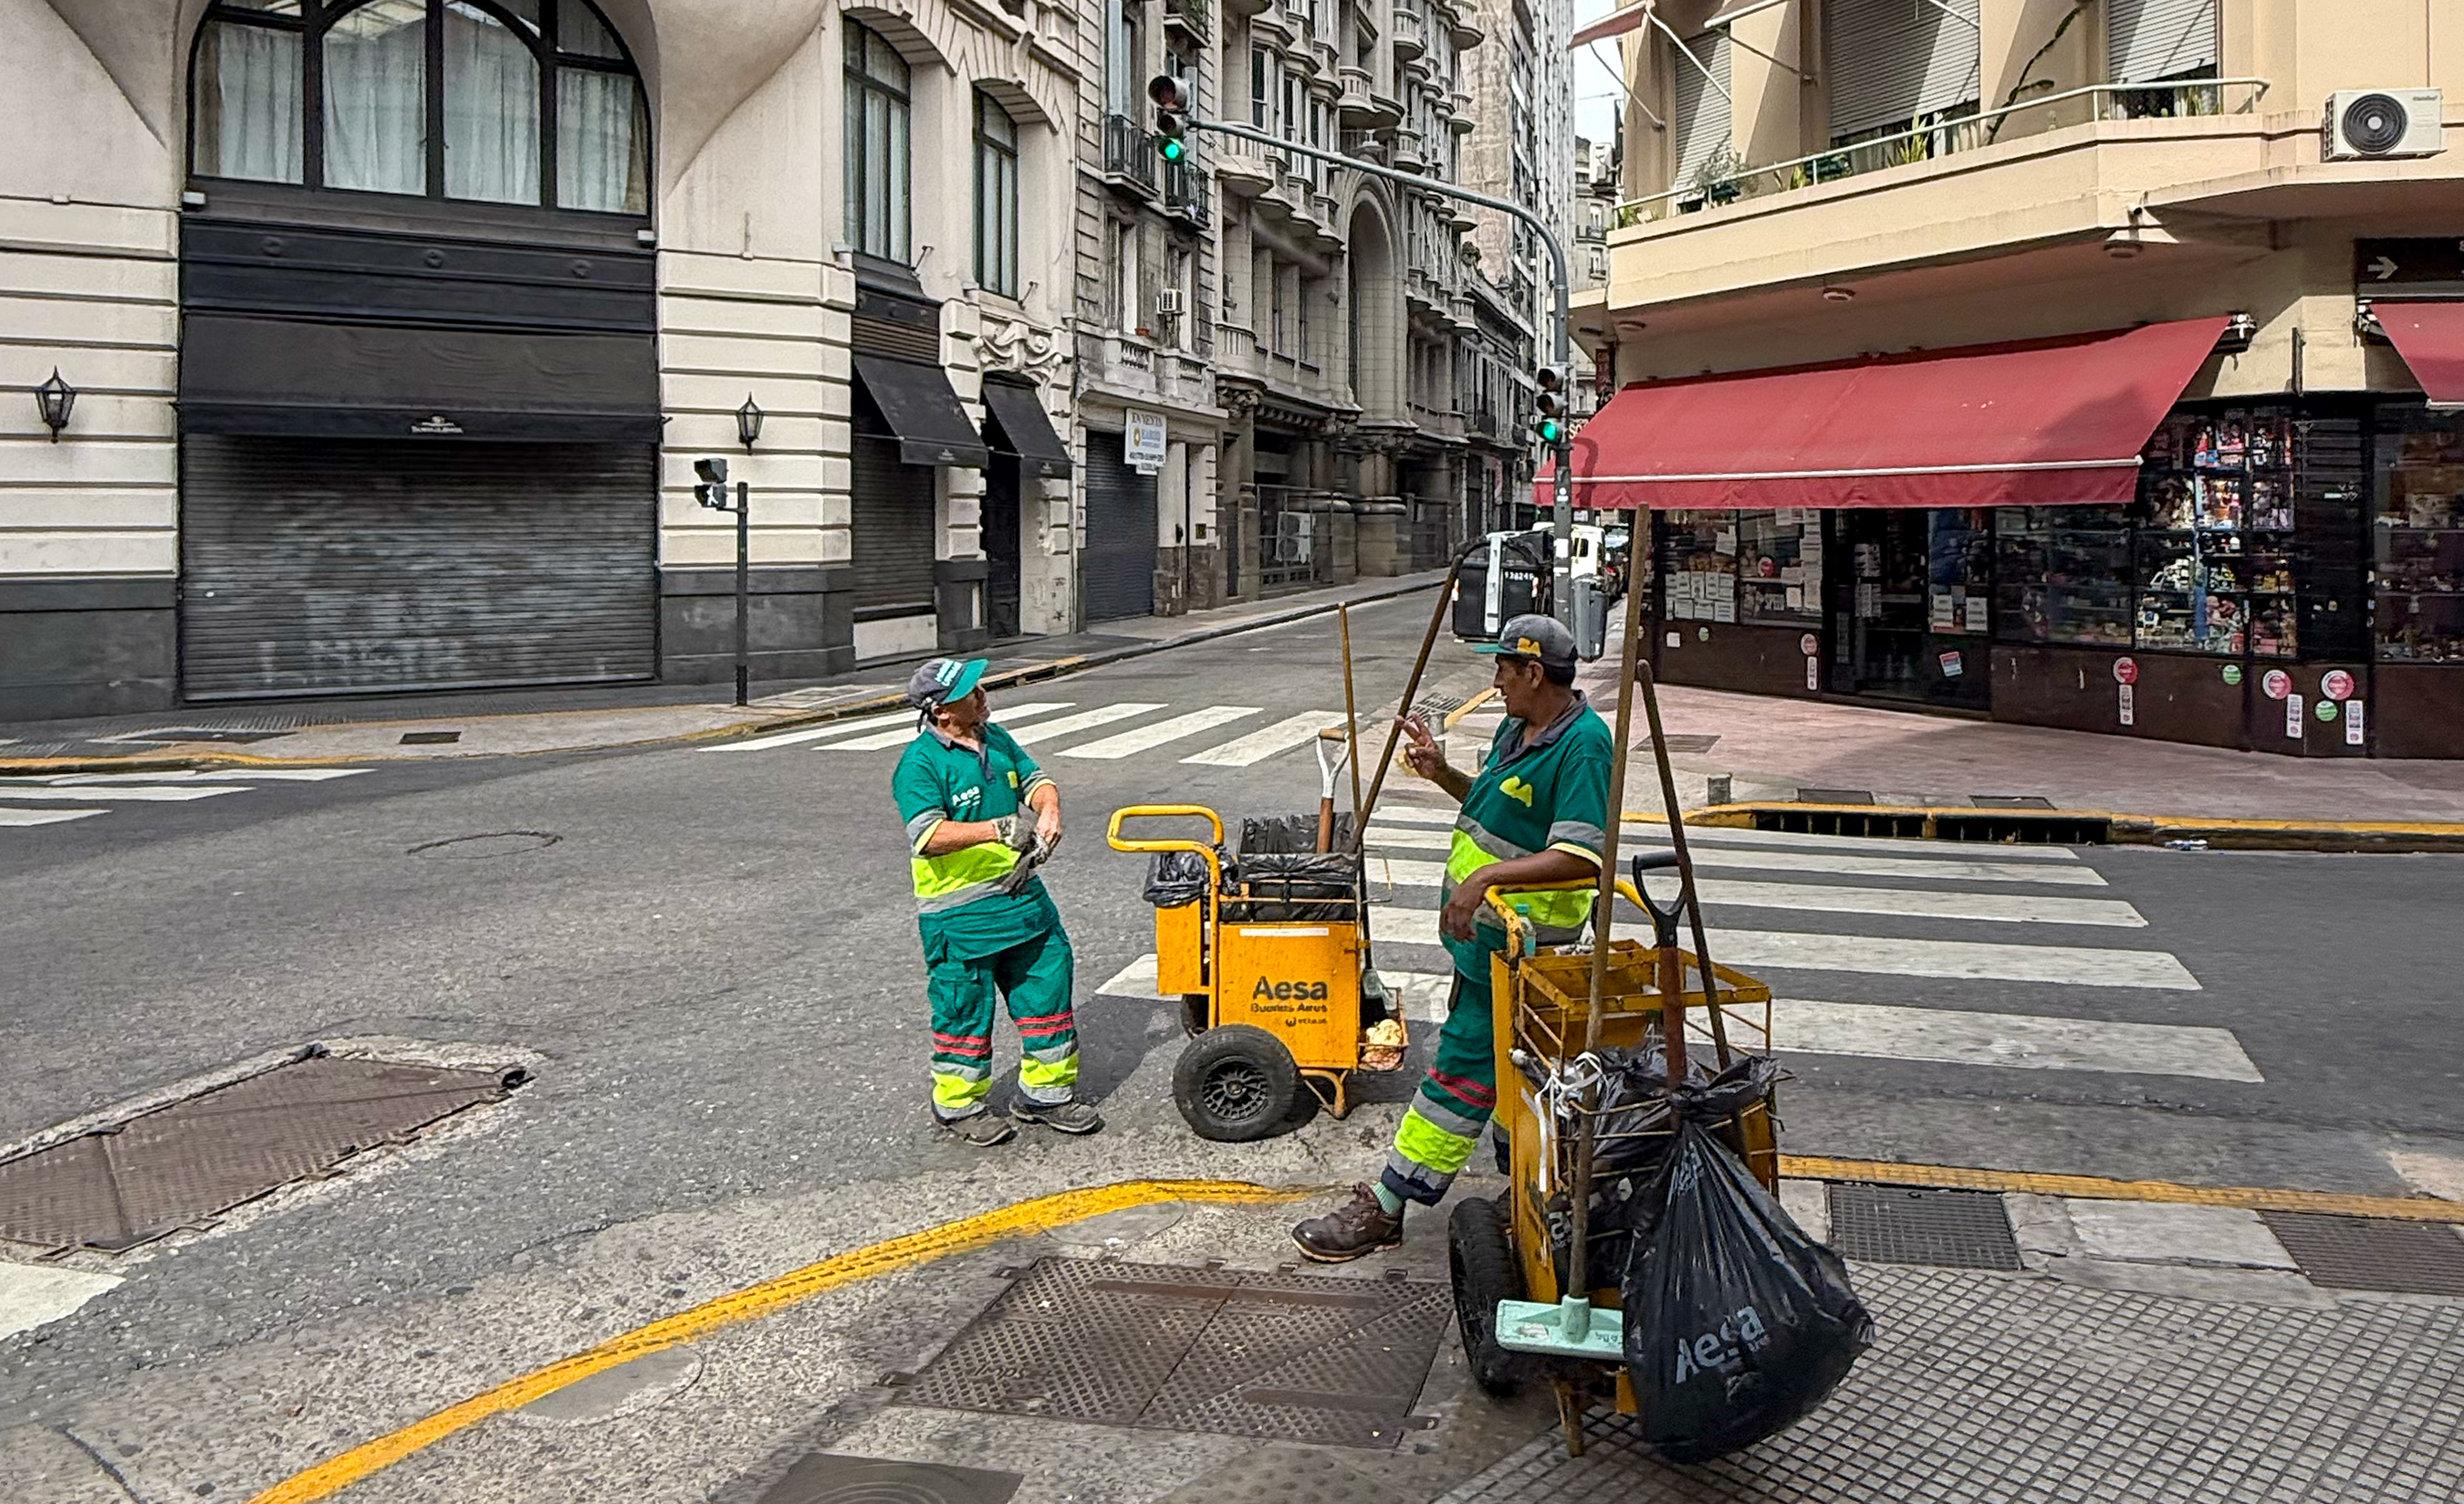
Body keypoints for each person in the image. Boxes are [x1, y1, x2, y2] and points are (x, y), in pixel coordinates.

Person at [1291, 614, 1611, 1260]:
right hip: (1484, 946)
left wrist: (1485, 879)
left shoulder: (1585, 745)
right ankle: (1527, 1188)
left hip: (1525, 949)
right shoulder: (1516, 729)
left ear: (1534, 673)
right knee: (1520, 1071)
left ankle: (1389, 1204)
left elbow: (1580, 855)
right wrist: (1442, 773)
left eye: (1503, 670)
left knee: (1461, 1069)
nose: (1495, 682)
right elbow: (1494, 807)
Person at [893, 657, 1103, 1146]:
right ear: (942, 711)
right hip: (961, 919)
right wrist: (997, 828)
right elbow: (928, 836)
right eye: (970, 692)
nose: (983, 695)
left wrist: (1049, 810)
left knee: (1048, 992)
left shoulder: (996, 739)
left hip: (1022, 901)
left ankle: (1045, 1096)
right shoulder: (920, 765)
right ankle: (958, 1106)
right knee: (964, 1010)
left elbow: (1036, 780)